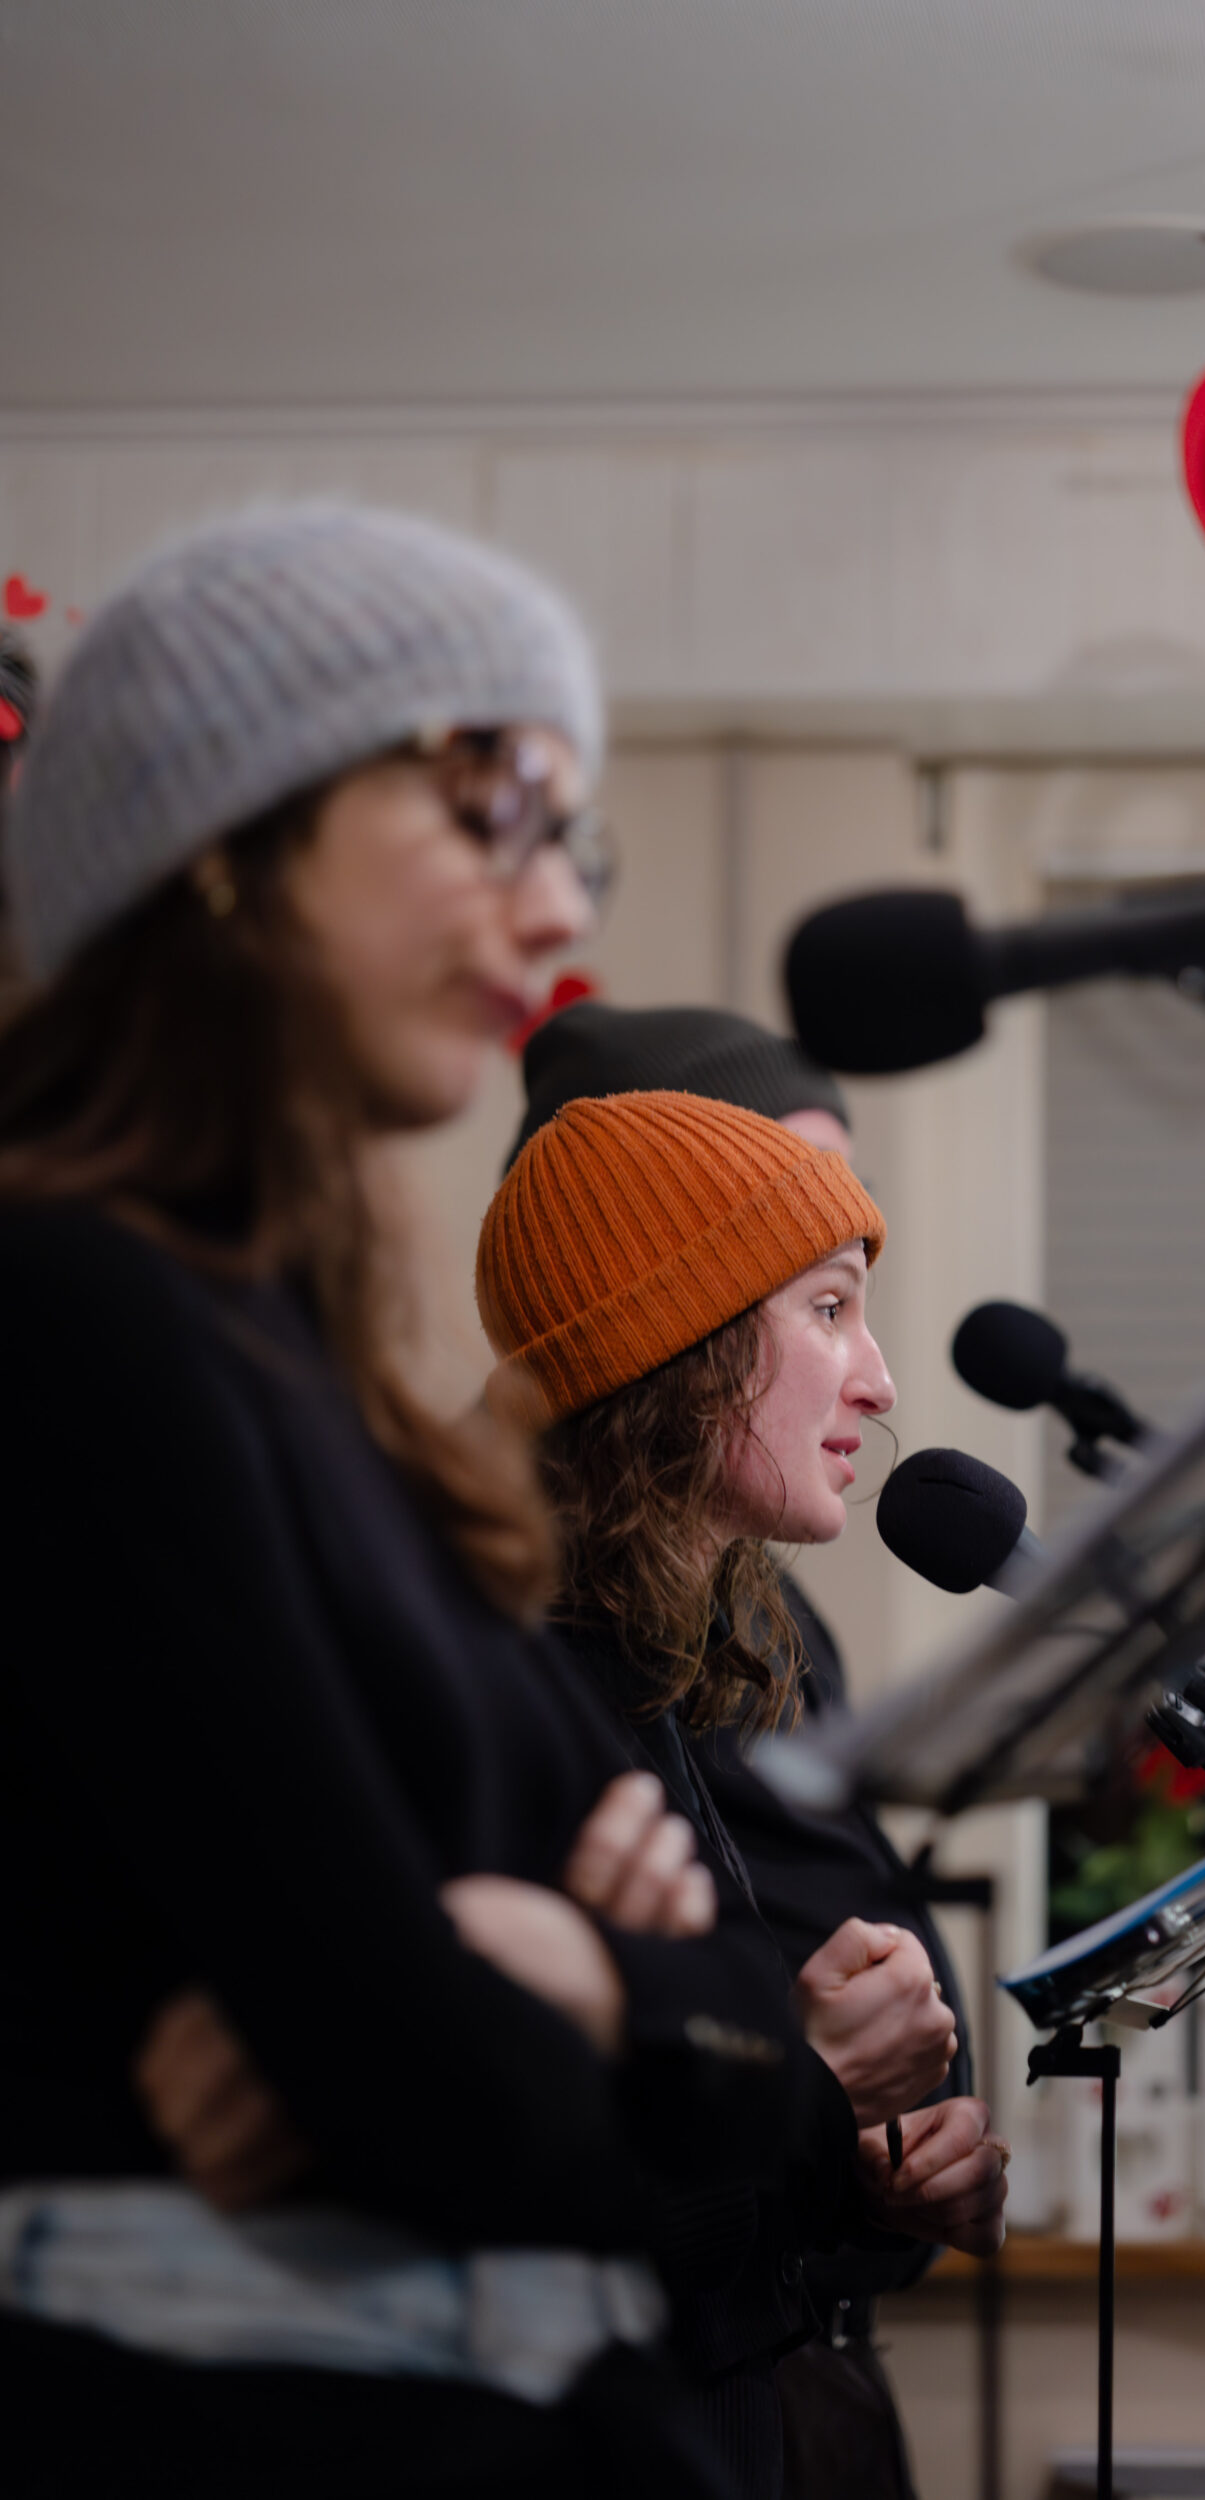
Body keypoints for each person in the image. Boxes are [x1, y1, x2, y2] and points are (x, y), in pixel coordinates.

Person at [0, 501, 843, 2498]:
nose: (553, 915)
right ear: (225, 832)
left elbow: (750, 2067)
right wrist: (610, 1986)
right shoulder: (77, 1317)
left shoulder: (352, 1408)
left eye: (572, 844)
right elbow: (434, 2081)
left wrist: (579, 1976)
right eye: (498, 812)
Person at [475, 1086, 1010, 2496]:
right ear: (683, 1349)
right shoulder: (522, 1704)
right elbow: (513, 2242)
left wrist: (865, 2176)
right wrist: (810, 2092)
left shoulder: (660, 1668)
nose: (878, 1382)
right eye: (829, 1309)